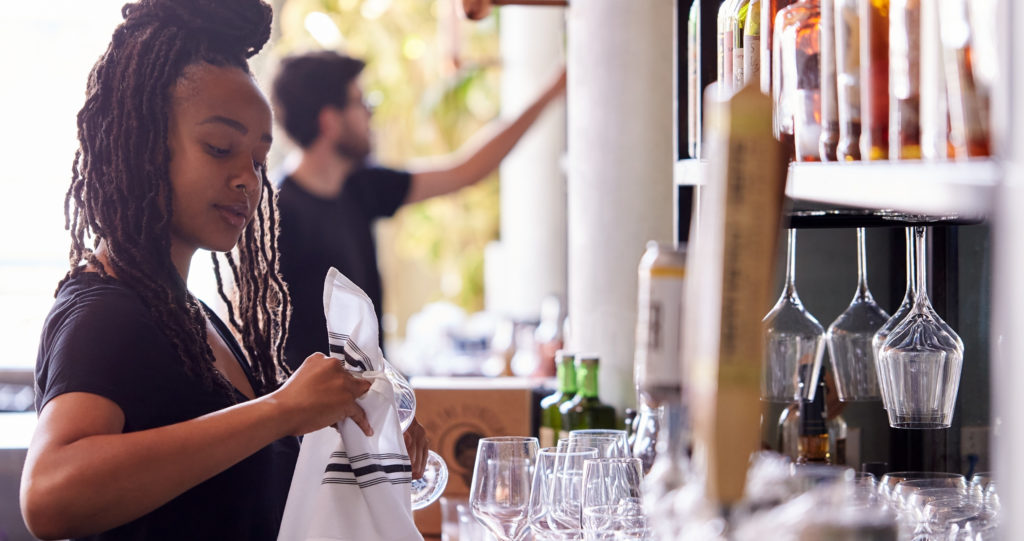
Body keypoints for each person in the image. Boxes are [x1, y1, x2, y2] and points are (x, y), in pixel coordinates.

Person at [20, 1, 426, 539]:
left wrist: (352, 417)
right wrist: (280, 410)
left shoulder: (187, 314)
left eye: (258, 159)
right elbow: (50, 496)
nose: (247, 179)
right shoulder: (106, 312)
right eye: (219, 148)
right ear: (141, 142)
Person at [271, 51, 567, 370]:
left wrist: (553, 90)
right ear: (329, 121)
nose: (371, 113)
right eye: (360, 101)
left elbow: (466, 171)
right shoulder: (277, 215)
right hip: (312, 410)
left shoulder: (359, 185)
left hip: (364, 395)